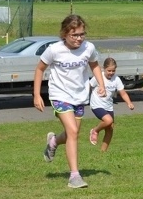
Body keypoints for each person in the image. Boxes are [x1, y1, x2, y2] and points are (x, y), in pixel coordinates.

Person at [33, 14, 106, 189]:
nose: (79, 39)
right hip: (59, 95)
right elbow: (39, 69)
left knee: (72, 133)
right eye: (74, 35)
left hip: (79, 96)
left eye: (82, 34)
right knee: (72, 131)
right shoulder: (54, 50)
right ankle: (74, 176)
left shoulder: (89, 48)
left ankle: (53, 142)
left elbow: (94, 65)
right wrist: (36, 95)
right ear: (65, 34)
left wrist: (101, 84)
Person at [88, 57, 134, 152]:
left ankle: (103, 152)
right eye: (109, 70)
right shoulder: (98, 77)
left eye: (113, 71)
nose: (111, 73)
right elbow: (88, 86)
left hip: (108, 106)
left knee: (110, 128)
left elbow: (123, 93)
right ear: (104, 68)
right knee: (108, 120)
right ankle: (95, 131)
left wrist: (129, 103)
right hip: (96, 105)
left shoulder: (116, 79)